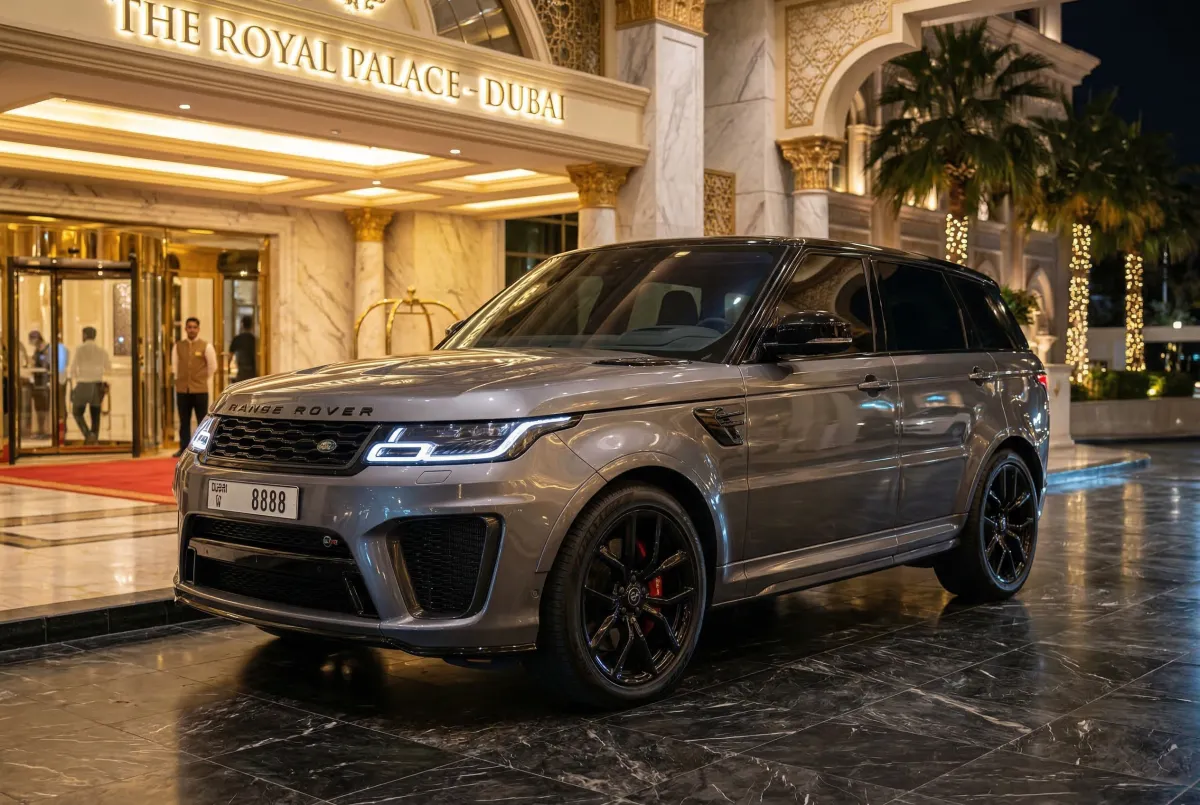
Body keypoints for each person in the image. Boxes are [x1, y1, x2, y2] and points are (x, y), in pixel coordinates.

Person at [172, 316, 217, 457]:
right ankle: (183, 448)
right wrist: (179, 380)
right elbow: (175, 367)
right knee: (183, 421)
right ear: (185, 329)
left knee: (202, 421)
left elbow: (212, 367)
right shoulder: (178, 346)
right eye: (189, 327)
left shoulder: (206, 346)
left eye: (194, 327)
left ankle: (202, 449)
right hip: (182, 390)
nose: (191, 329)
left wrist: (201, 379)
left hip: (200, 390)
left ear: (198, 329)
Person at [67, 326, 111, 444]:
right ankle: (94, 438)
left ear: (85, 335)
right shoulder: (102, 351)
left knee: (77, 412)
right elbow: (108, 368)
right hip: (97, 385)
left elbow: (73, 368)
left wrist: (72, 379)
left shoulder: (79, 350)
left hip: (83, 384)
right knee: (95, 414)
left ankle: (87, 434)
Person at [228, 315, 258, 383]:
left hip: (241, 370)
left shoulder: (237, 339)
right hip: (253, 371)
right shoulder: (254, 339)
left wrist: (228, 371)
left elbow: (230, 356)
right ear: (251, 325)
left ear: (242, 325)